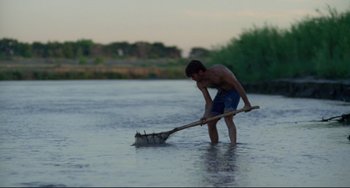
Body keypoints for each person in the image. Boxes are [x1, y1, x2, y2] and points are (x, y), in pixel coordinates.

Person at [185, 60, 252, 145]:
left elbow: (237, 85)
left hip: (233, 91)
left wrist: (247, 104)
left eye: (193, 76)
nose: (192, 79)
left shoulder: (219, 72)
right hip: (221, 93)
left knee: (228, 117)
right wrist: (205, 116)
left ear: (200, 72)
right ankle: (214, 147)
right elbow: (209, 102)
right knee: (210, 122)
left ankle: (233, 146)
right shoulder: (200, 84)